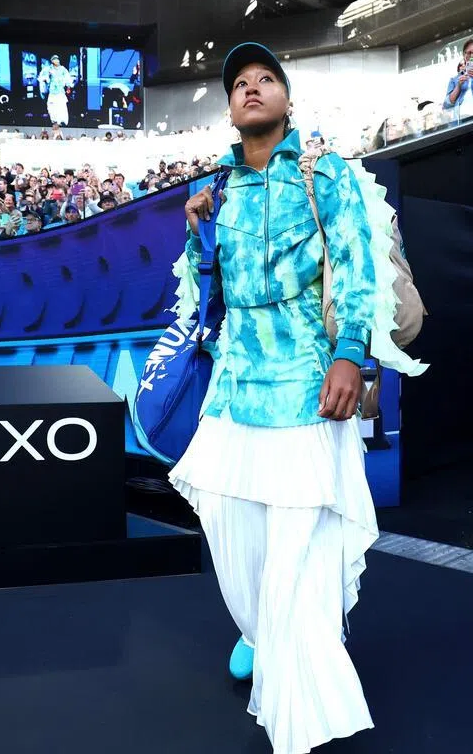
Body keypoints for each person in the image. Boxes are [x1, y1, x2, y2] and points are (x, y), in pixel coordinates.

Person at [169, 42, 384, 754]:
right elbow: (210, 301)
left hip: (305, 384)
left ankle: (303, 712)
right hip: (234, 390)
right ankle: (262, 633)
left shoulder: (326, 174)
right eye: (240, 83)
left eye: (267, 80)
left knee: (299, 552)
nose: (253, 89)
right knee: (236, 543)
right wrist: (200, 233)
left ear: (288, 100)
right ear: (230, 108)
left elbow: (355, 266)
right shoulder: (217, 189)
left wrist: (351, 355)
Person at [38, 55, 75, 127]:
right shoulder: (48, 69)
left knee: (61, 106)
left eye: (57, 59)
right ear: (52, 61)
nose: (57, 61)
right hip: (52, 92)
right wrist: (47, 77)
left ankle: (62, 121)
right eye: (55, 60)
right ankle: (54, 121)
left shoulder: (63, 69)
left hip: (60, 92)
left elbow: (68, 79)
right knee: (52, 108)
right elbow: (42, 78)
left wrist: (68, 87)